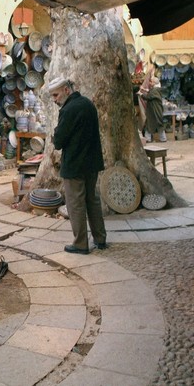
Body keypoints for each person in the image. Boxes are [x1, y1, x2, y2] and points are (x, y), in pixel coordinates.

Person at [48, 77, 107, 254]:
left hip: (74, 164)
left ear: (66, 90)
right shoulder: (88, 104)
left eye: (56, 95)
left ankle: (80, 243)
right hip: (92, 162)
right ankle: (100, 238)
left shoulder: (68, 110)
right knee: (92, 201)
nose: (55, 100)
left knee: (76, 204)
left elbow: (59, 141)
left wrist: (54, 136)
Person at [142, 76, 166, 142]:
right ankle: (162, 138)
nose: (150, 83)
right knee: (158, 123)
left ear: (154, 83)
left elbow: (148, 96)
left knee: (151, 123)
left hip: (154, 109)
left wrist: (141, 94)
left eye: (151, 82)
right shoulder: (156, 90)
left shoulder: (155, 90)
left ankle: (148, 138)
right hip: (155, 109)